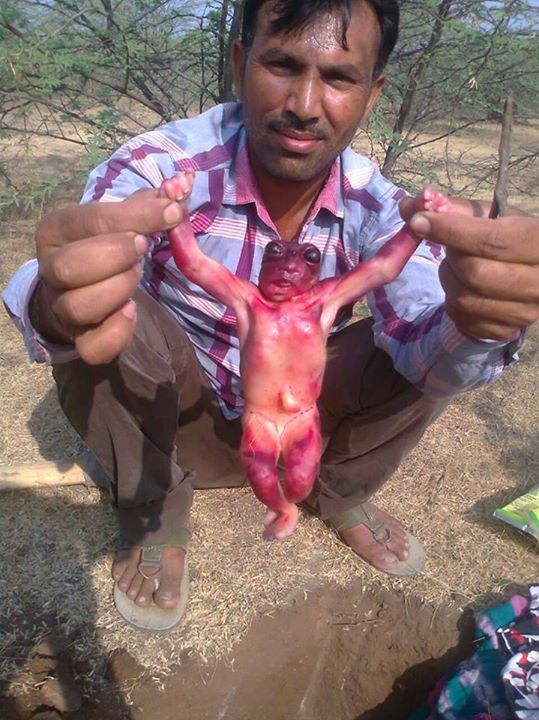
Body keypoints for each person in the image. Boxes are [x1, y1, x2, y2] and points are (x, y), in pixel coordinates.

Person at [3, 0, 538, 631]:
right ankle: (154, 505)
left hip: (308, 423)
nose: (305, 104)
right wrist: (58, 300)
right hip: (180, 417)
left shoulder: (375, 208)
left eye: (338, 77)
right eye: (282, 65)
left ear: (371, 94)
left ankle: (338, 490)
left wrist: (476, 317)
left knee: (430, 333)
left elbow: (396, 282)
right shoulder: (161, 165)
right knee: (110, 303)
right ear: (239, 64)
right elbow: (131, 259)